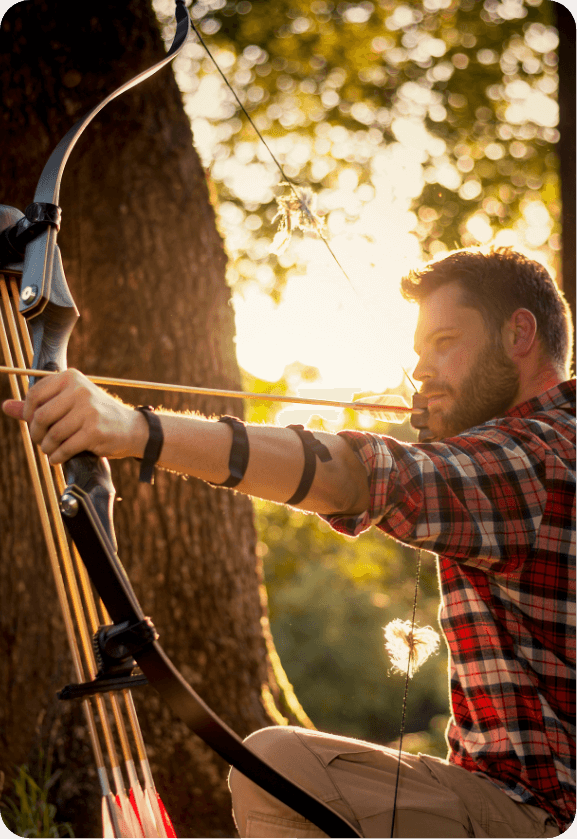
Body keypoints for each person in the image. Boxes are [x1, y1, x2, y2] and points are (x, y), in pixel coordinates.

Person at [3, 246, 575, 838]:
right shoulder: (523, 451)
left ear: (520, 334)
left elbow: (355, 476)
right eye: (419, 352)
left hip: (544, 817)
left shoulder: (543, 457)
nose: (422, 372)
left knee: (282, 764)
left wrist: (132, 429)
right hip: (500, 799)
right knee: (291, 771)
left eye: (444, 340)